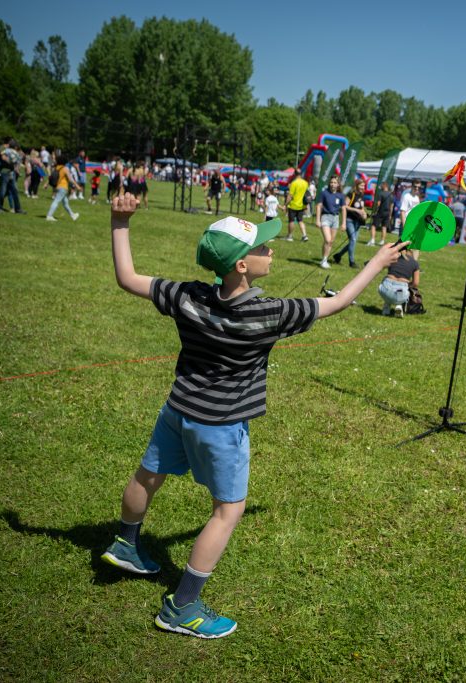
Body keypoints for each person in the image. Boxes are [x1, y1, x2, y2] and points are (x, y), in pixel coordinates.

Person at [101, 189, 409, 639]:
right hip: (222, 427)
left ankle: (126, 544)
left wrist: (120, 222)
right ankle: (182, 607)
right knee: (228, 511)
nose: (271, 250)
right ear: (242, 265)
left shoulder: (187, 296)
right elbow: (339, 301)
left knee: (149, 475)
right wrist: (377, 262)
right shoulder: (270, 313)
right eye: (263, 247)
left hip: (178, 409)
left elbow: (127, 277)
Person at [333, 178, 368, 268]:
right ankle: (351, 262)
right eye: (361, 185)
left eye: (364, 185)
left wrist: (364, 214)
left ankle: (338, 255)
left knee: (353, 242)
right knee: (353, 240)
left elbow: (362, 208)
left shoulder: (362, 195)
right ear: (357, 185)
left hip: (358, 221)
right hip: (349, 220)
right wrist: (356, 210)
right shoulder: (351, 194)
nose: (363, 187)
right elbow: (345, 206)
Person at [378, 246, 420, 317]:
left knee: (387, 281)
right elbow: (415, 283)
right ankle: (399, 305)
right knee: (401, 290)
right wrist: (408, 286)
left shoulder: (394, 257)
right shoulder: (415, 263)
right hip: (401, 290)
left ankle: (387, 306)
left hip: (385, 290)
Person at [317, 176, 346, 269]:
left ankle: (324, 259)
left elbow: (343, 209)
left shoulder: (341, 196)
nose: (332, 184)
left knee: (330, 242)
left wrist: (344, 223)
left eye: (334, 183)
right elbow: (319, 206)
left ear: (338, 184)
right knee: (328, 240)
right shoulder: (324, 193)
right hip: (325, 217)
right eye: (331, 182)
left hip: (335, 219)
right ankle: (324, 261)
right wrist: (317, 220)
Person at [45, 150, 79, 222]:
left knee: (65, 203)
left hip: (57, 187)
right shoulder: (65, 168)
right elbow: (71, 179)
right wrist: (77, 186)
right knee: (56, 201)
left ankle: (73, 215)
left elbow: (51, 176)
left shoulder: (57, 168)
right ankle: (49, 216)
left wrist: (46, 184)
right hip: (63, 187)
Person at [0, 138, 23, 214]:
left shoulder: (13, 152)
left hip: (11, 172)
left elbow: (16, 163)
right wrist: (11, 162)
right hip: (5, 172)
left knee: (14, 191)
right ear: (15, 146)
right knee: (3, 191)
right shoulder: (7, 150)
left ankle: (18, 209)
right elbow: (3, 157)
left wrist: (16, 170)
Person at [284, 170, 309, 241]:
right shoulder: (305, 183)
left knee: (291, 221)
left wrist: (285, 204)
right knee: (300, 220)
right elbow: (307, 194)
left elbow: (290, 195)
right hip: (301, 206)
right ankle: (304, 235)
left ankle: (290, 236)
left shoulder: (294, 183)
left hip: (293, 205)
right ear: (301, 174)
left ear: (295, 174)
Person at [371, 181, 393, 246]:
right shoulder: (391, 195)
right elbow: (391, 206)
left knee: (373, 225)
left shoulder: (381, 193)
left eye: (381, 185)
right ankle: (382, 241)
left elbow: (378, 203)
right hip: (387, 213)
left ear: (384, 186)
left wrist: (375, 211)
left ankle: (372, 240)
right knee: (384, 227)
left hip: (380, 212)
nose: (380, 187)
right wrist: (390, 215)